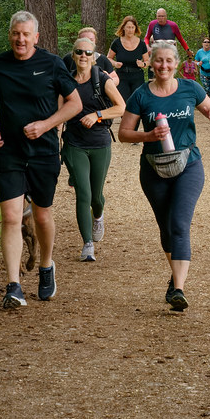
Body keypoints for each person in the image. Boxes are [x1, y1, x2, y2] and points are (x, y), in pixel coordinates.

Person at [0, 10, 82, 308]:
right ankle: (13, 286)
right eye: (16, 34)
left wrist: (46, 125)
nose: (20, 39)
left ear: (36, 37)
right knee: (11, 217)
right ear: (9, 35)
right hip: (10, 151)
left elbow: (75, 104)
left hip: (44, 151)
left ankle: (46, 265)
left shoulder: (52, 64)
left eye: (26, 34)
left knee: (41, 215)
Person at [118, 40, 210, 311]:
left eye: (168, 60)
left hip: (189, 165)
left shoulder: (191, 88)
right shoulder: (141, 94)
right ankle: (175, 277)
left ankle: (178, 289)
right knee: (166, 228)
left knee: (179, 224)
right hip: (153, 168)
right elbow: (123, 134)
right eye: (158, 60)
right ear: (151, 63)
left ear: (176, 63)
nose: (163, 65)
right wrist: (149, 135)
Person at [62, 36, 126, 263]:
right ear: (73, 55)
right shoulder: (66, 81)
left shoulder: (102, 80)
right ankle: (87, 244)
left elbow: (121, 107)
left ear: (94, 57)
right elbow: (57, 111)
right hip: (74, 143)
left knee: (96, 197)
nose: (83, 56)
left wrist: (97, 115)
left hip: (99, 142)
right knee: (83, 193)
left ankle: (97, 216)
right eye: (79, 52)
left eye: (88, 53)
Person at [107, 16, 148, 102]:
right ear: (123, 28)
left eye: (132, 27)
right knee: (123, 102)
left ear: (135, 28)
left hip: (137, 77)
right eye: (128, 27)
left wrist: (143, 64)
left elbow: (147, 61)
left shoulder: (141, 44)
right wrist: (115, 63)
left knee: (137, 102)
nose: (130, 30)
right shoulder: (116, 43)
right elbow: (109, 58)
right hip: (121, 76)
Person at [194, 38, 210, 102]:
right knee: (207, 89)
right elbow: (195, 61)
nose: (206, 43)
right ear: (202, 44)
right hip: (204, 73)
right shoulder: (199, 52)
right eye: (205, 42)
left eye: (208, 42)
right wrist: (198, 63)